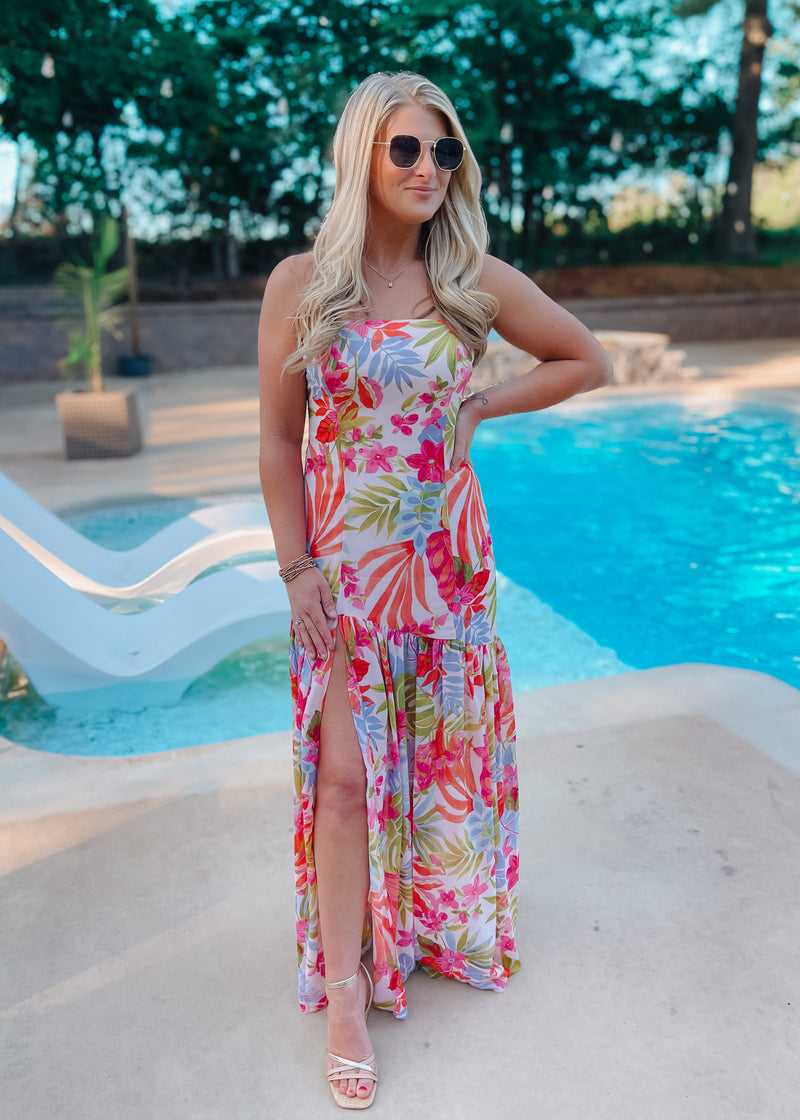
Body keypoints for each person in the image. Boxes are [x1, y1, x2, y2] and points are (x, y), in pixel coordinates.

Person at [258, 70, 611, 1109]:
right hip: (344, 569)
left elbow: (584, 360)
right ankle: (344, 996)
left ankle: (414, 930)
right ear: (362, 156)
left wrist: (481, 405)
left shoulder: (470, 278)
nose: (428, 168)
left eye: (445, 150)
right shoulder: (301, 284)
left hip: (445, 564)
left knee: (437, 759)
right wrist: (296, 568)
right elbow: (278, 442)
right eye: (406, 148)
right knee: (343, 779)